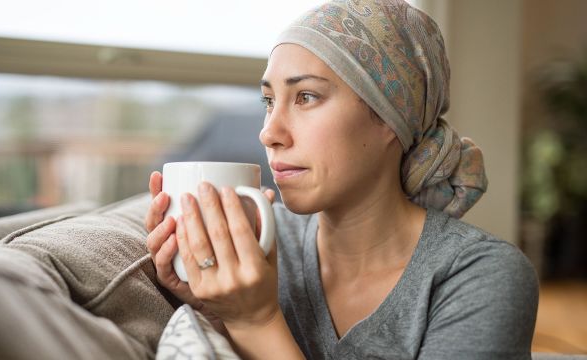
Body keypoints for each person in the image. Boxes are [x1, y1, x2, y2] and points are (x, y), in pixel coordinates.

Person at [145, 0, 539, 359]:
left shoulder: (480, 275)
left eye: (306, 97)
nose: (269, 133)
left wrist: (257, 320)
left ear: (390, 115)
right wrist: (213, 310)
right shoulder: (255, 246)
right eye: (269, 101)